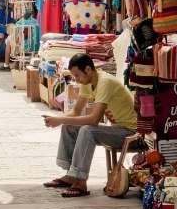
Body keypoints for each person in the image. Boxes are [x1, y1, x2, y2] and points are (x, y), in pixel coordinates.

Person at [42, 54, 138, 198]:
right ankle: (71, 175)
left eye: (77, 75)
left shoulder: (105, 82)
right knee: (69, 126)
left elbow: (93, 119)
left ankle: (80, 181)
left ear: (88, 69)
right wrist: (58, 119)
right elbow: (75, 112)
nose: (76, 79)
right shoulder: (88, 83)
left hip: (131, 132)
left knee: (88, 130)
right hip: (118, 128)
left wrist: (60, 120)